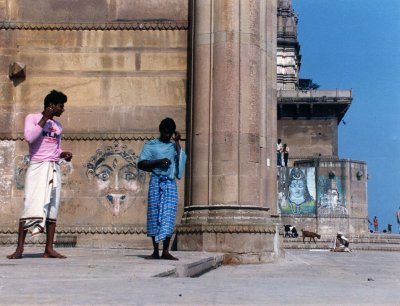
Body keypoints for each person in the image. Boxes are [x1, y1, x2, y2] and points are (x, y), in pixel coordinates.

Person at [7, 90, 72, 259]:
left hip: (53, 168)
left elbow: (56, 149)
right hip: (37, 167)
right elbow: (29, 137)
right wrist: (45, 119)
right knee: (30, 205)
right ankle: (20, 249)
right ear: (51, 106)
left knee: (52, 208)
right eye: (60, 106)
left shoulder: (58, 127)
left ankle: (48, 249)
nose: (62, 109)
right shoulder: (33, 118)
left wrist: (63, 154)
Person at [138, 118, 187, 260]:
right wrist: (158, 162)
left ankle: (166, 251)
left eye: (169, 133)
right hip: (155, 182)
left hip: (170, 184)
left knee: (168, 216)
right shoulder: (151, 145)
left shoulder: (173, 147)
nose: (166, 135)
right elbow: (141, 163)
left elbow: (181, 158)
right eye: (164, 132)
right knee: (154, 215)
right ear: (160, 131)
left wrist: (177, 141)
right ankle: (155, 251)